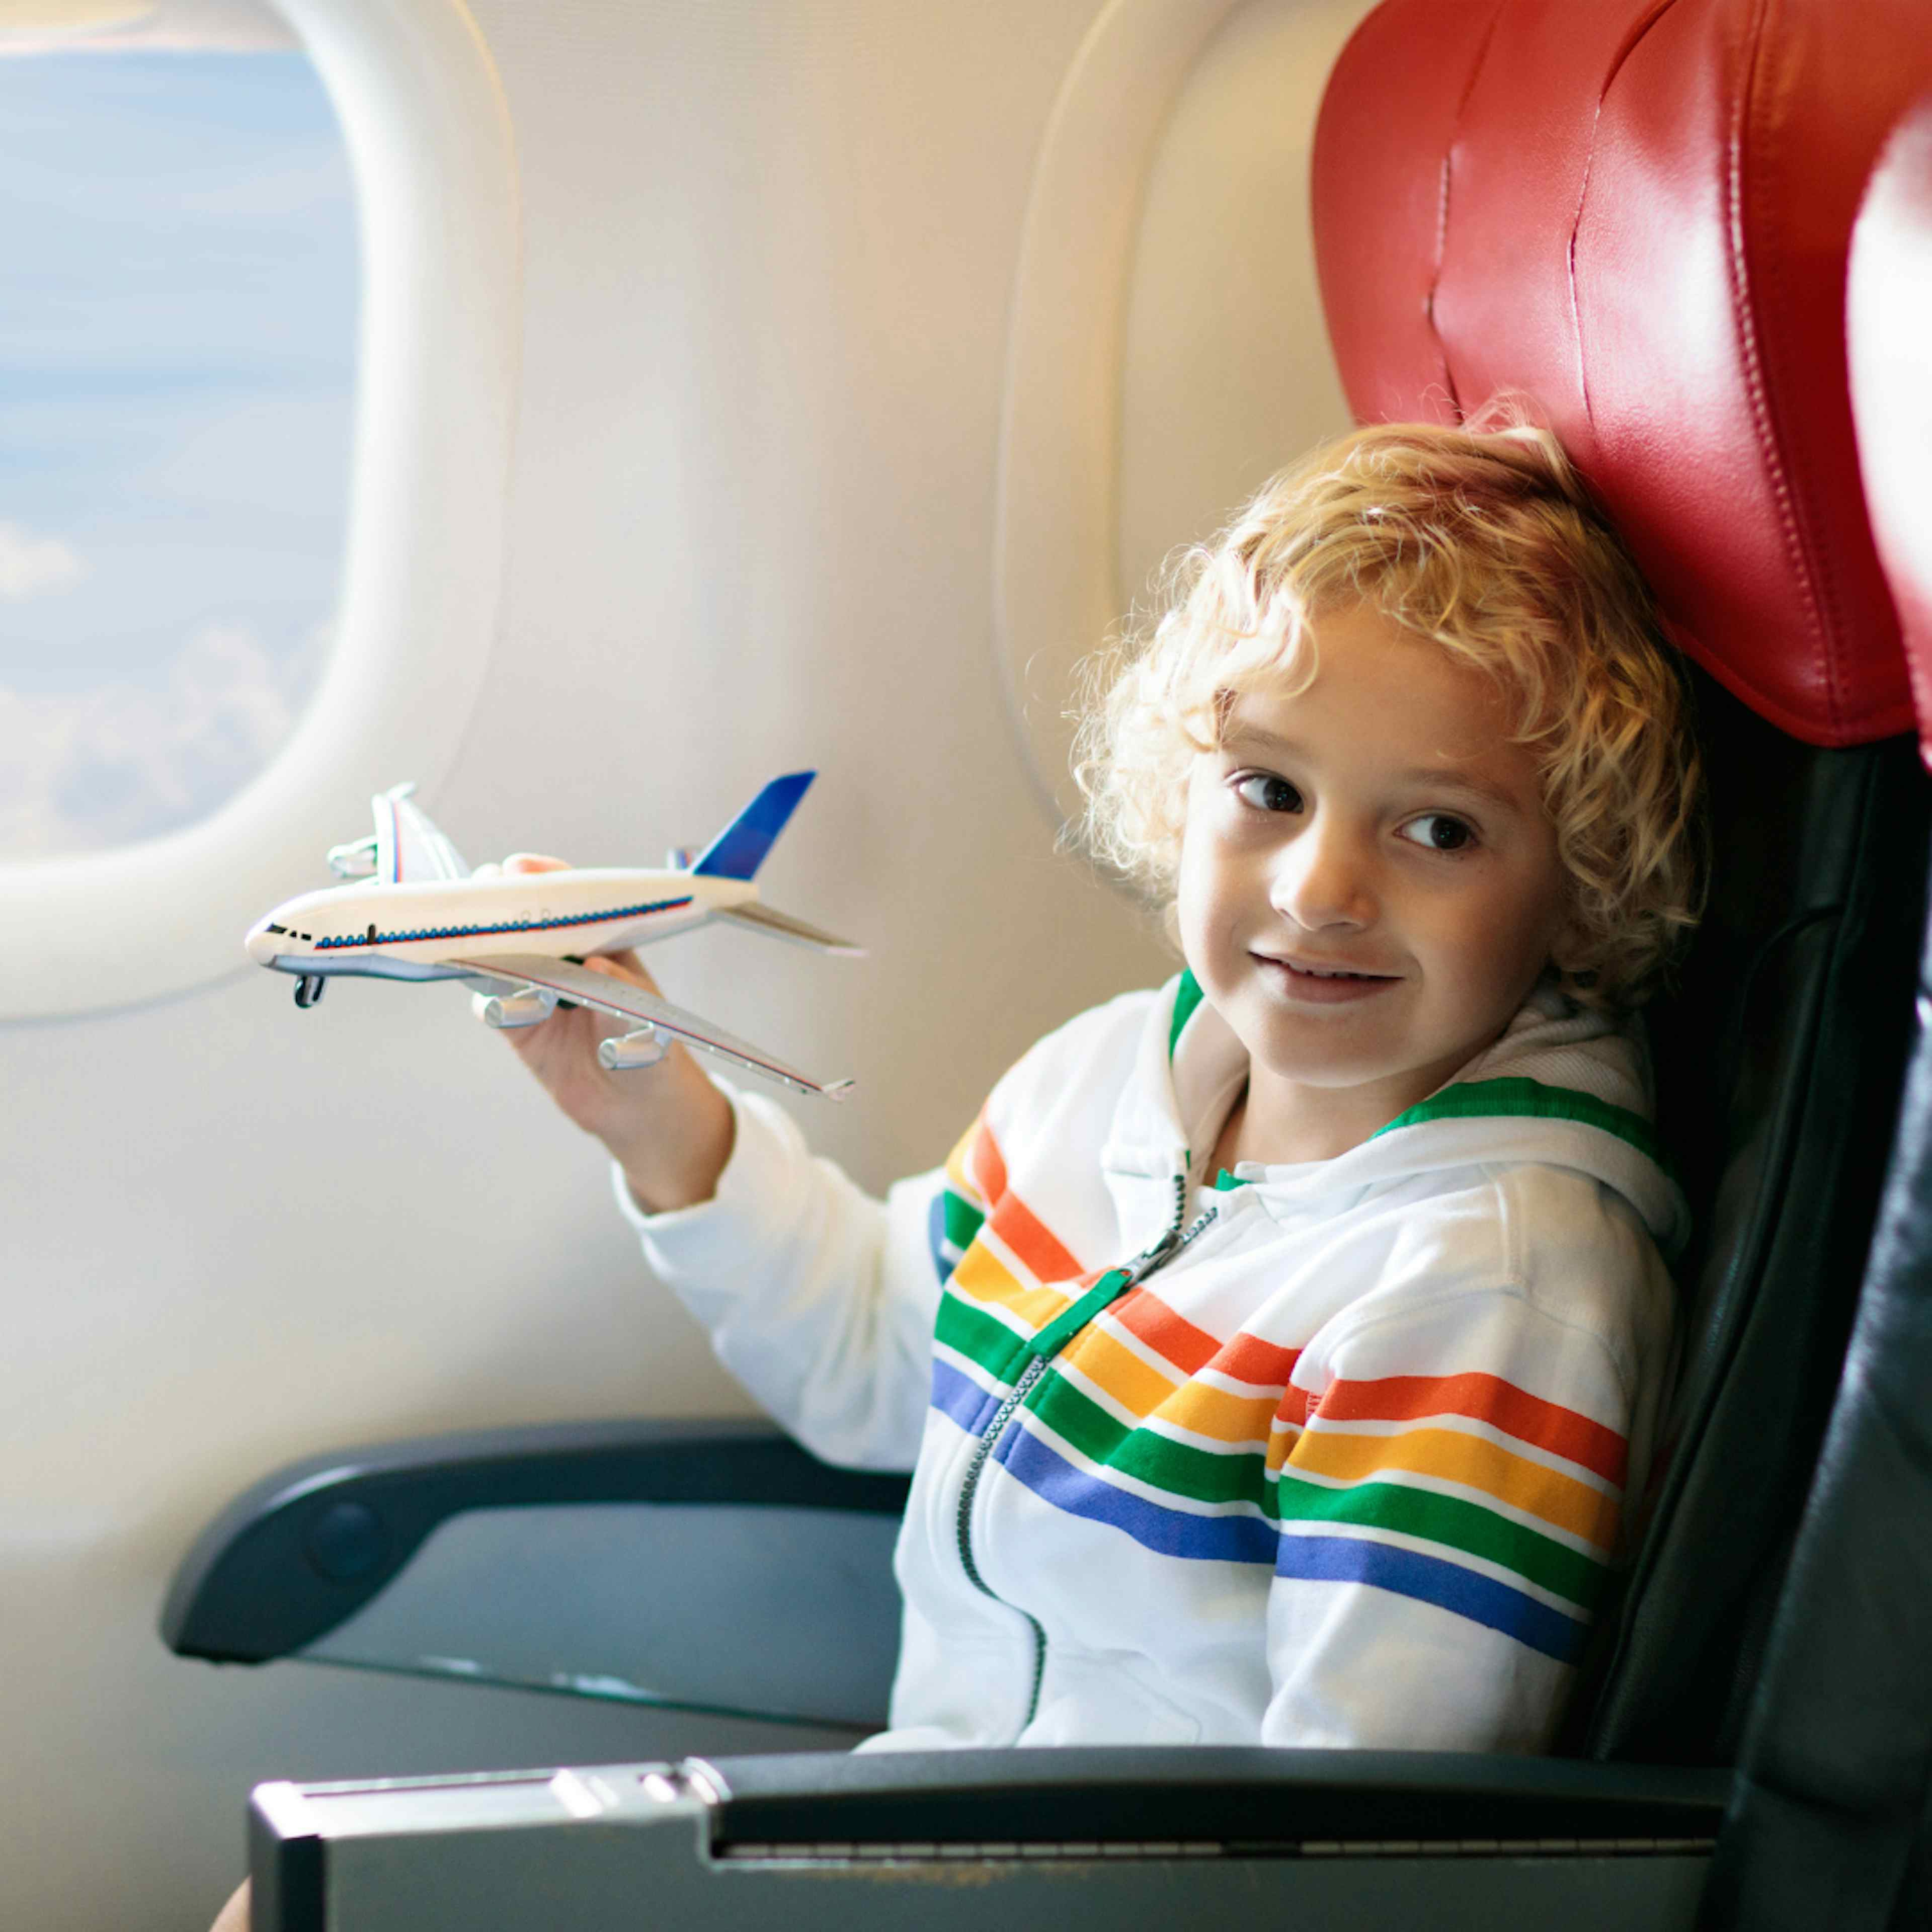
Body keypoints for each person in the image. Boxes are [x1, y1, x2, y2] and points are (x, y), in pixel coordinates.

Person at [208, 411, 1703, 1925]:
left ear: (1579, 875)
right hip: (927, 1848)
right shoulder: (1104, 1083)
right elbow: (878, 1365)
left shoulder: (1484, 1285)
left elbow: (1369, 1860)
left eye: (1440, 828)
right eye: (1268, 789)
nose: (1322, 886)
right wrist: (655, 1118)